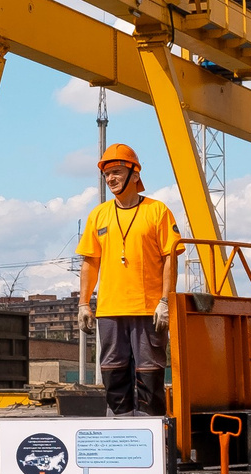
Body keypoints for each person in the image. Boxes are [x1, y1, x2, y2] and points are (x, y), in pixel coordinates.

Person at [76, 143, 183, 416]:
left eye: (117, 172)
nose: (111, 178)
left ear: (135, 174)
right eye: (107, 174)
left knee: (149, 375)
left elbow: (171, 257)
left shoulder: (157, 212)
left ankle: (153, 433)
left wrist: (165, 301)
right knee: (113, 374)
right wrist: (84, 304)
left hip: (149, 309)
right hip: (111, 311)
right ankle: (120, 433)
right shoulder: (98, 215)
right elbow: (90, 262)